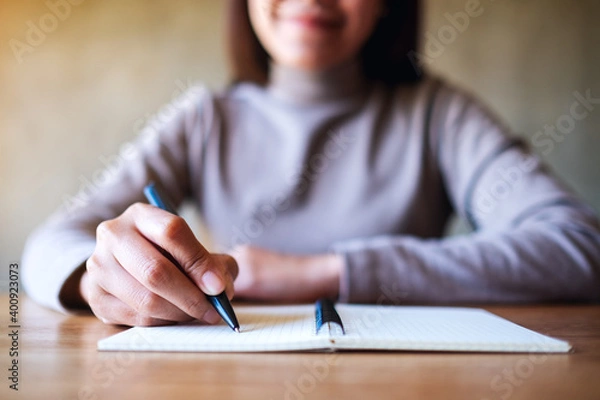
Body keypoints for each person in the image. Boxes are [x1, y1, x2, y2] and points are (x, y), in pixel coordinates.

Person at [22, 0, 600, 327]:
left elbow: (577, 247)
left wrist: (326, 272)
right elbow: (48, 246)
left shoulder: (437, 114)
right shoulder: (204, 119)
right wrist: (97, 277)